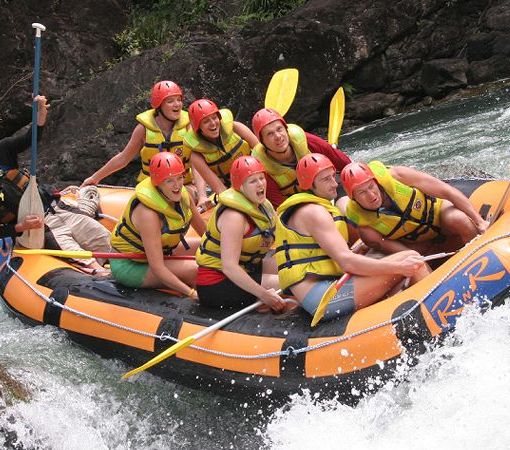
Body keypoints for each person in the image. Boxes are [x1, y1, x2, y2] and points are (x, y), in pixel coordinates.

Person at [275, 154, 429, 322]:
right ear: (310, 185)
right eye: (325, 180)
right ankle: (435, 312)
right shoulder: (314, 212)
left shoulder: (309, 208)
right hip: (324, 298)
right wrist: (399, 267)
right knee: (410, 258)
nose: (334, 183)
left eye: (333, 176)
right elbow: (347, 262)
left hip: (324, 288)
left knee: (378, 255)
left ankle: (409, 317)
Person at [81, 81, 204, 201]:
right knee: (149, 203)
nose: (177, 104)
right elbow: (123, 158)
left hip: (183, 186)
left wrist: (202, 195)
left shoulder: (188, 126)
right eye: (170, 101)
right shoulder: (143, 129)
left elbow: (197, 163)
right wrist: (94, 178)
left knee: (186, 197)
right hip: (151, 187)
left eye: (179, 99)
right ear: (159, 106)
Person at [195, 156, 285, 312]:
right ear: (240, 186)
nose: (260, 184)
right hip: (217, 283)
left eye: (261, 178)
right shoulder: (234, 217)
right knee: (289, 283)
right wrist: (264, 295)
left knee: (294, 270)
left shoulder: (263, 205)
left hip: (248, 266)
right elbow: (229, 267)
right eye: (252, 181)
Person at [340, 161, 489, 255]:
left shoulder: (398, 175)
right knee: (413, 255)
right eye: (361, 192)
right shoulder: (363, 224)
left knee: (458, 219)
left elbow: (446, 191)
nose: (371, 195)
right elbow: (399, 251)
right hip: (416, 242)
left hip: (438, 214)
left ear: (376, 182)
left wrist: (479, 221)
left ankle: (483, 253)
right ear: (354, 198)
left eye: (371, 186)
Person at [110, 152, 205, 297]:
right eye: (169, 181)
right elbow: (158, 267)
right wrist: (190, 293)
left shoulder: (184, 196)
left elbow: (206, 235)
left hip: (162, 251)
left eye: (180, 178)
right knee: (195, 270)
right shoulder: (148, 214)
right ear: (157, 183)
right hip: (132, 263)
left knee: (204, 246)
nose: (177, 186)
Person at [251, 108, 351, 208]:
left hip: (332, 191)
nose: (278, 136)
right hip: (301, 209)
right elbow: (280, 208)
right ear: (262, 141)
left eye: (279, 129)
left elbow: (347, 166)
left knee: (344, 204)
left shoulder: (308, 141)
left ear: (286, 129)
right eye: (270, 134)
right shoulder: (264, 171)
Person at [185, 98, 258, 210]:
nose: (213, 123)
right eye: (206, 121)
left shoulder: (236, 127)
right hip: (231, 190)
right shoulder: (196, 155)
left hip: (257, 179)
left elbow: (261, 153)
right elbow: (219, 188)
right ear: (198, 127)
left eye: (214, 118)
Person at [0, 95, 49, 239]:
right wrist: (22, 227)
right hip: (22, 230)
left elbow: (31, 138)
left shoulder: (3, 148)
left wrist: (41, 111)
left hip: (45, 208)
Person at [44, 185, 112, 275]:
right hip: (43, 225)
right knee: (68, 247)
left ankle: (118, 262)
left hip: (58, 208)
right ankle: (99, 271)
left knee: (102, 236)